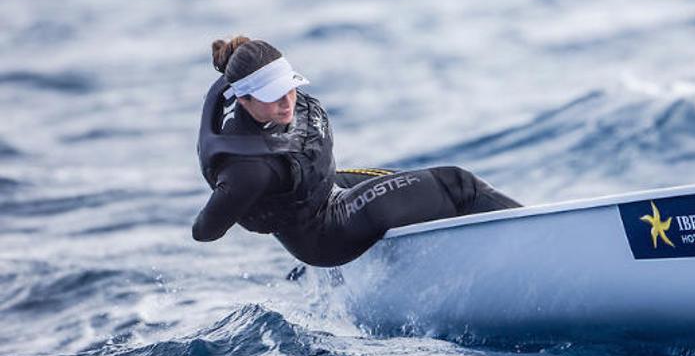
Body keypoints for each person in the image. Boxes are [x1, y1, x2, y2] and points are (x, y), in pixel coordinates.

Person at [193, 36, 522, 267]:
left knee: (414, 189)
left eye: (288, 87)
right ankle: (541, 242)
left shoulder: (262, 105)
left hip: (326, 193)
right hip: (327, 233)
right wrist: (250, 202)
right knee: (457, 185)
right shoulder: (247, 171)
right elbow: (205, 231)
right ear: (243, 98)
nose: (286, 102)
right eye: (272, 95)